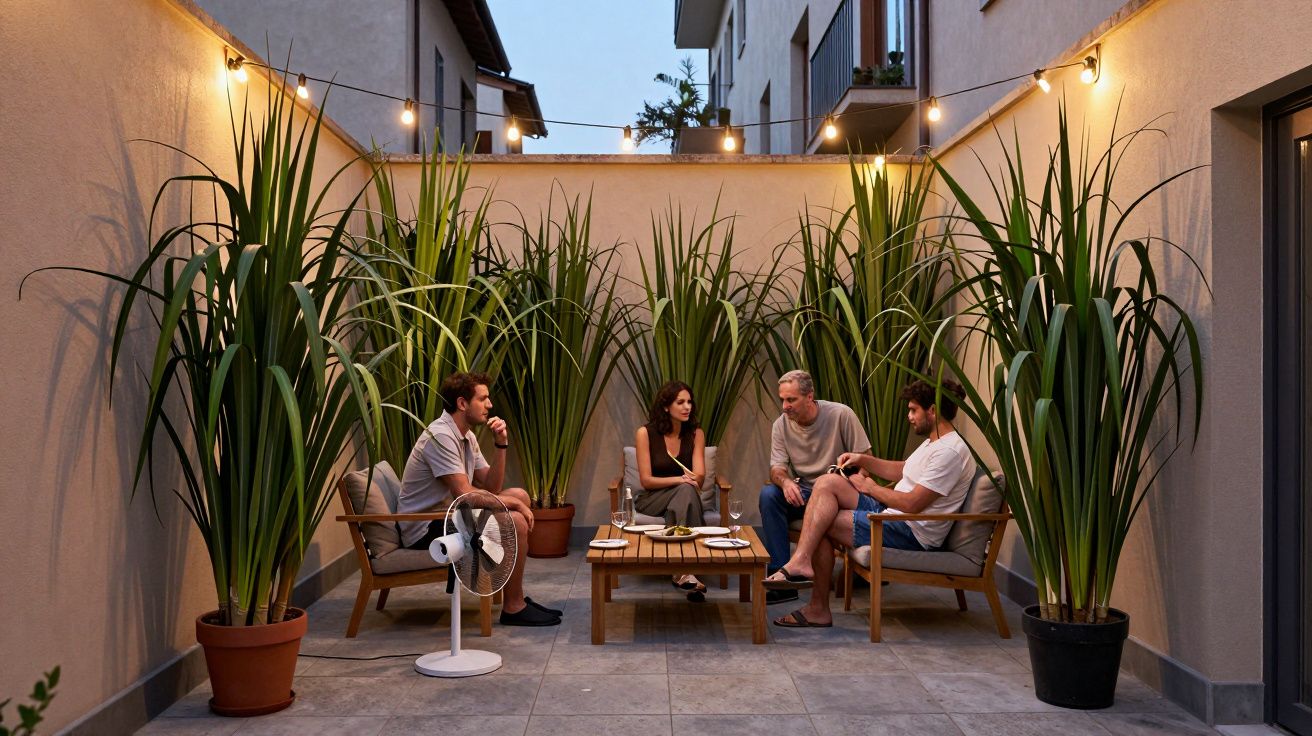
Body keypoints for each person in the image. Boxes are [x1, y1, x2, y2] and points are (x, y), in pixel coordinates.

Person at [763, 379, 976, 628]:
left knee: (820, 521)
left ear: (933, 410)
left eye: (913, 410)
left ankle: (817, 606)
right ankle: (800, 562)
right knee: (827, 482)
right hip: (891, 514)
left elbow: (913, 504)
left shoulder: (949, 452)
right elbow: (903, 470)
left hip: (909, 530)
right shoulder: (935, 442)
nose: (909, 417)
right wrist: (863, 459)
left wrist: (871, 488)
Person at [397, 371, 562, 627]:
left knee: (518, 494)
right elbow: (463, 493)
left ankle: (514, 595)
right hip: (424, 528)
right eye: (483, 399)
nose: (490, 405)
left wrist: (501, 444)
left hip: (446, 515)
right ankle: (514, 606)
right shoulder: (440, 436)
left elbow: (491, 486)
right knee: (516, 520)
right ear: (462, 403)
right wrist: (515, 506)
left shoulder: (467, 436)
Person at [760, 370, 872, 604]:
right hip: (805, 492)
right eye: (782, 399)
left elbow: (866, 462)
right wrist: (786, 481)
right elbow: (777, 469)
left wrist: (851, 485)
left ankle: (807, 567)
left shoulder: (841, 415)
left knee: (826, 490)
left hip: (838, 492)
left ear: (809, 397)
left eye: (791, 400)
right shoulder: (781, 426)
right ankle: (784, 580)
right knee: (769, 494)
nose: (784, 406)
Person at [634, 380, 709, 602]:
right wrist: (680, 479)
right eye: (680, 402)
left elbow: (700, 478)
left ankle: (682, 570)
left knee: (684, 494)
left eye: (689, 402)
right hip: (651, 499)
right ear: (666, 406)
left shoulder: (696, 433)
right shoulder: (645, 433)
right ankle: (689, 567)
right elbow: (646, 481)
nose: (687, 407)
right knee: (685, 490)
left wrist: (689, 481)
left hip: (683, 497)